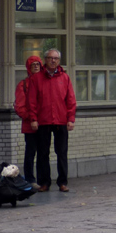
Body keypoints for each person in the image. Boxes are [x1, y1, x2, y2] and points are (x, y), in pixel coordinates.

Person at [26, 48, 76, 192]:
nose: (53, 61)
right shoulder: (36, 78)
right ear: (45, 60)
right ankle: (44, 182)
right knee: (42, 153)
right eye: (50, 58)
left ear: (59, 61)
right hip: (43, 121)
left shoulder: (64, 78)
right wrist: (33, 119)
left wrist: (70, 118)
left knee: (61, 152)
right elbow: (32, 101)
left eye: (56, 59)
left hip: (61, 120)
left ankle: (62, 182)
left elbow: (71, 100)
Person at [13, 55, 43, 184]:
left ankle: (43, 179)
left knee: (43, 152)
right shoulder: (23, 84)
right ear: (28, 67)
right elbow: (20, 106)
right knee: (30, 153)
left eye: (38, 64)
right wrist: (32, 118)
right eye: (33, 64)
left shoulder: (45, 83)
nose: (36, 66)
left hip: (44, 124)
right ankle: (30, 179)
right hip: (30, 125)